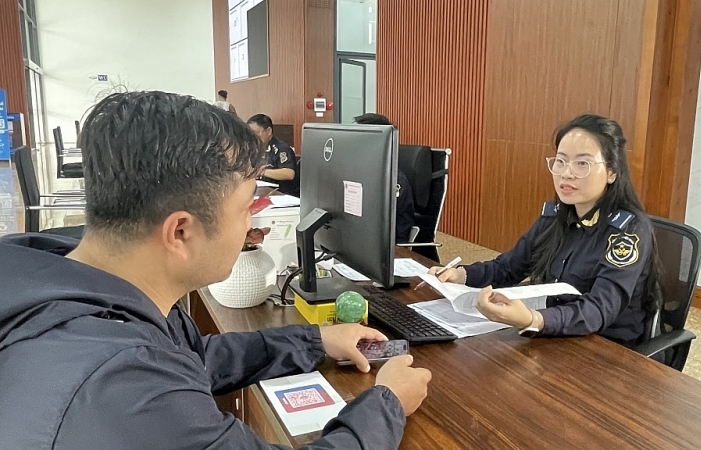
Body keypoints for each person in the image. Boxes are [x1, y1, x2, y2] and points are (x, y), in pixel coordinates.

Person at [0, 91, 431, 449]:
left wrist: (316, 338)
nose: (253, 223)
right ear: (180, 232)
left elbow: (193, 359)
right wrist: (387, 401)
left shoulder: (73, 279)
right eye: (246, 208)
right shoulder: (122, 390)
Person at [430, 114, 660, 347]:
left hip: (607, 348)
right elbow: (510, 267)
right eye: (561, 161)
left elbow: (599, 309)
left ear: (612, 172)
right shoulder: (556, 215)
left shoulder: (628, 230)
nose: (567, 173)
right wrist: (462, 275)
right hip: (556, 334)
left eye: (582, 163)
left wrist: (534, 320)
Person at [353, 113, 415, 243]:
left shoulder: (394, 180)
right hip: (360, 240)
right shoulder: (361, 171)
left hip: (388, 247)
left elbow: (376, 221)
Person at [248, 113, 300, 196]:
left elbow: (289, 174)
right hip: (263, 193)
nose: (253, 137)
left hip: (283, 195)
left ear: (268, 131)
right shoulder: (254, 149)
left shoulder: (282, 148)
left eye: (256, 133)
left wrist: (262, 172)